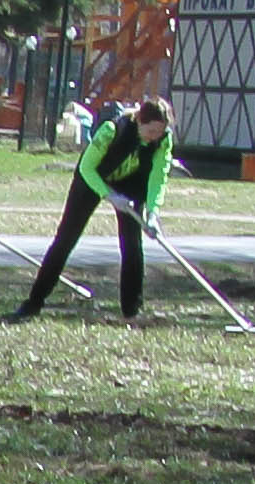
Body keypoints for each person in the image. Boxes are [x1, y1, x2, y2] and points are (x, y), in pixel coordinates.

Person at [9, 96, 172, 324]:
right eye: (151, 131)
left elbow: (158, 177)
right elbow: (86, 167)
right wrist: (109, 195)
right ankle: (33, 303)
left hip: (131, 184)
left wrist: (153, 213)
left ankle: (131, 311)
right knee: (65, 239)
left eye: (160, 132)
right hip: (93, 178)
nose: (155, 137)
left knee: (132, 246)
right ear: (139, 121)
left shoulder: (163, 140)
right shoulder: (112, 129)